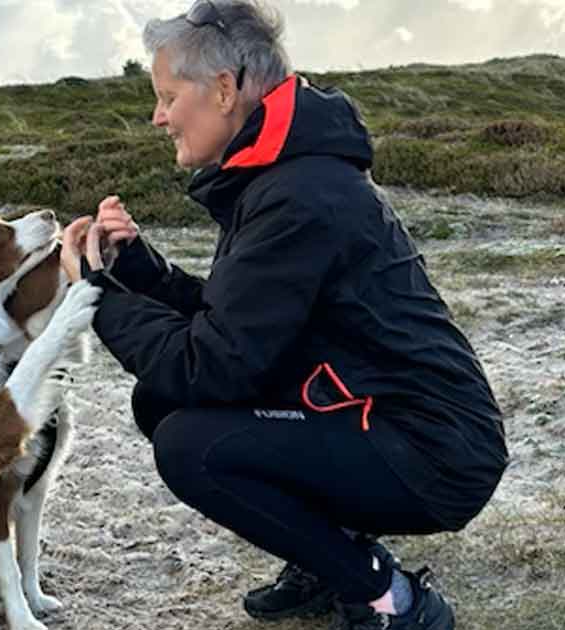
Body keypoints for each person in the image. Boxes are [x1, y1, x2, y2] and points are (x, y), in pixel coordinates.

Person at [58, 1, 508, 629]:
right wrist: (136, 268)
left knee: (191, 445)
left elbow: (210, 365)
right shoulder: (279, 178)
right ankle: (325, 557)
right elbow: (234, 325)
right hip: (373, 413)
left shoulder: (298, 195)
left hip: (431, 449)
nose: (159, 117)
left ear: (222, 90)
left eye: (166, 95)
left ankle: (389, 598)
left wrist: (97, 297)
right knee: (158, 404)